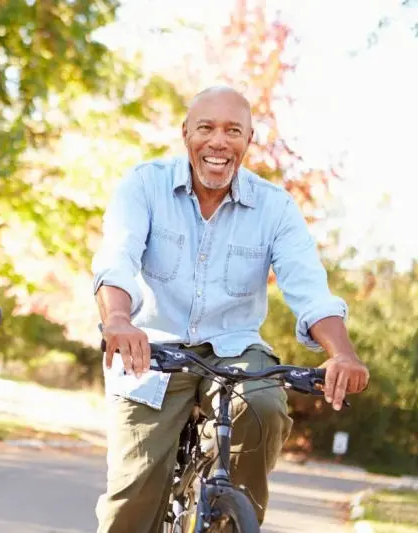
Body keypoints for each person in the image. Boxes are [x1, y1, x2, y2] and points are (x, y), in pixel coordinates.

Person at [91, 86, 370, 532]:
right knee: (132, 500)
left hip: (234, 350)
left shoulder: (274, 207)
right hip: (153, 351)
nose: (218, 142)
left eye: (232, 131)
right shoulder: (144, 185)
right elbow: (116, 261)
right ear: (186, 134)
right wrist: (119, 320)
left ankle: (231, 521)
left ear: (248, 141)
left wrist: (342, 353)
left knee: (262, 405)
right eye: (206, 128)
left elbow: (309, 289)